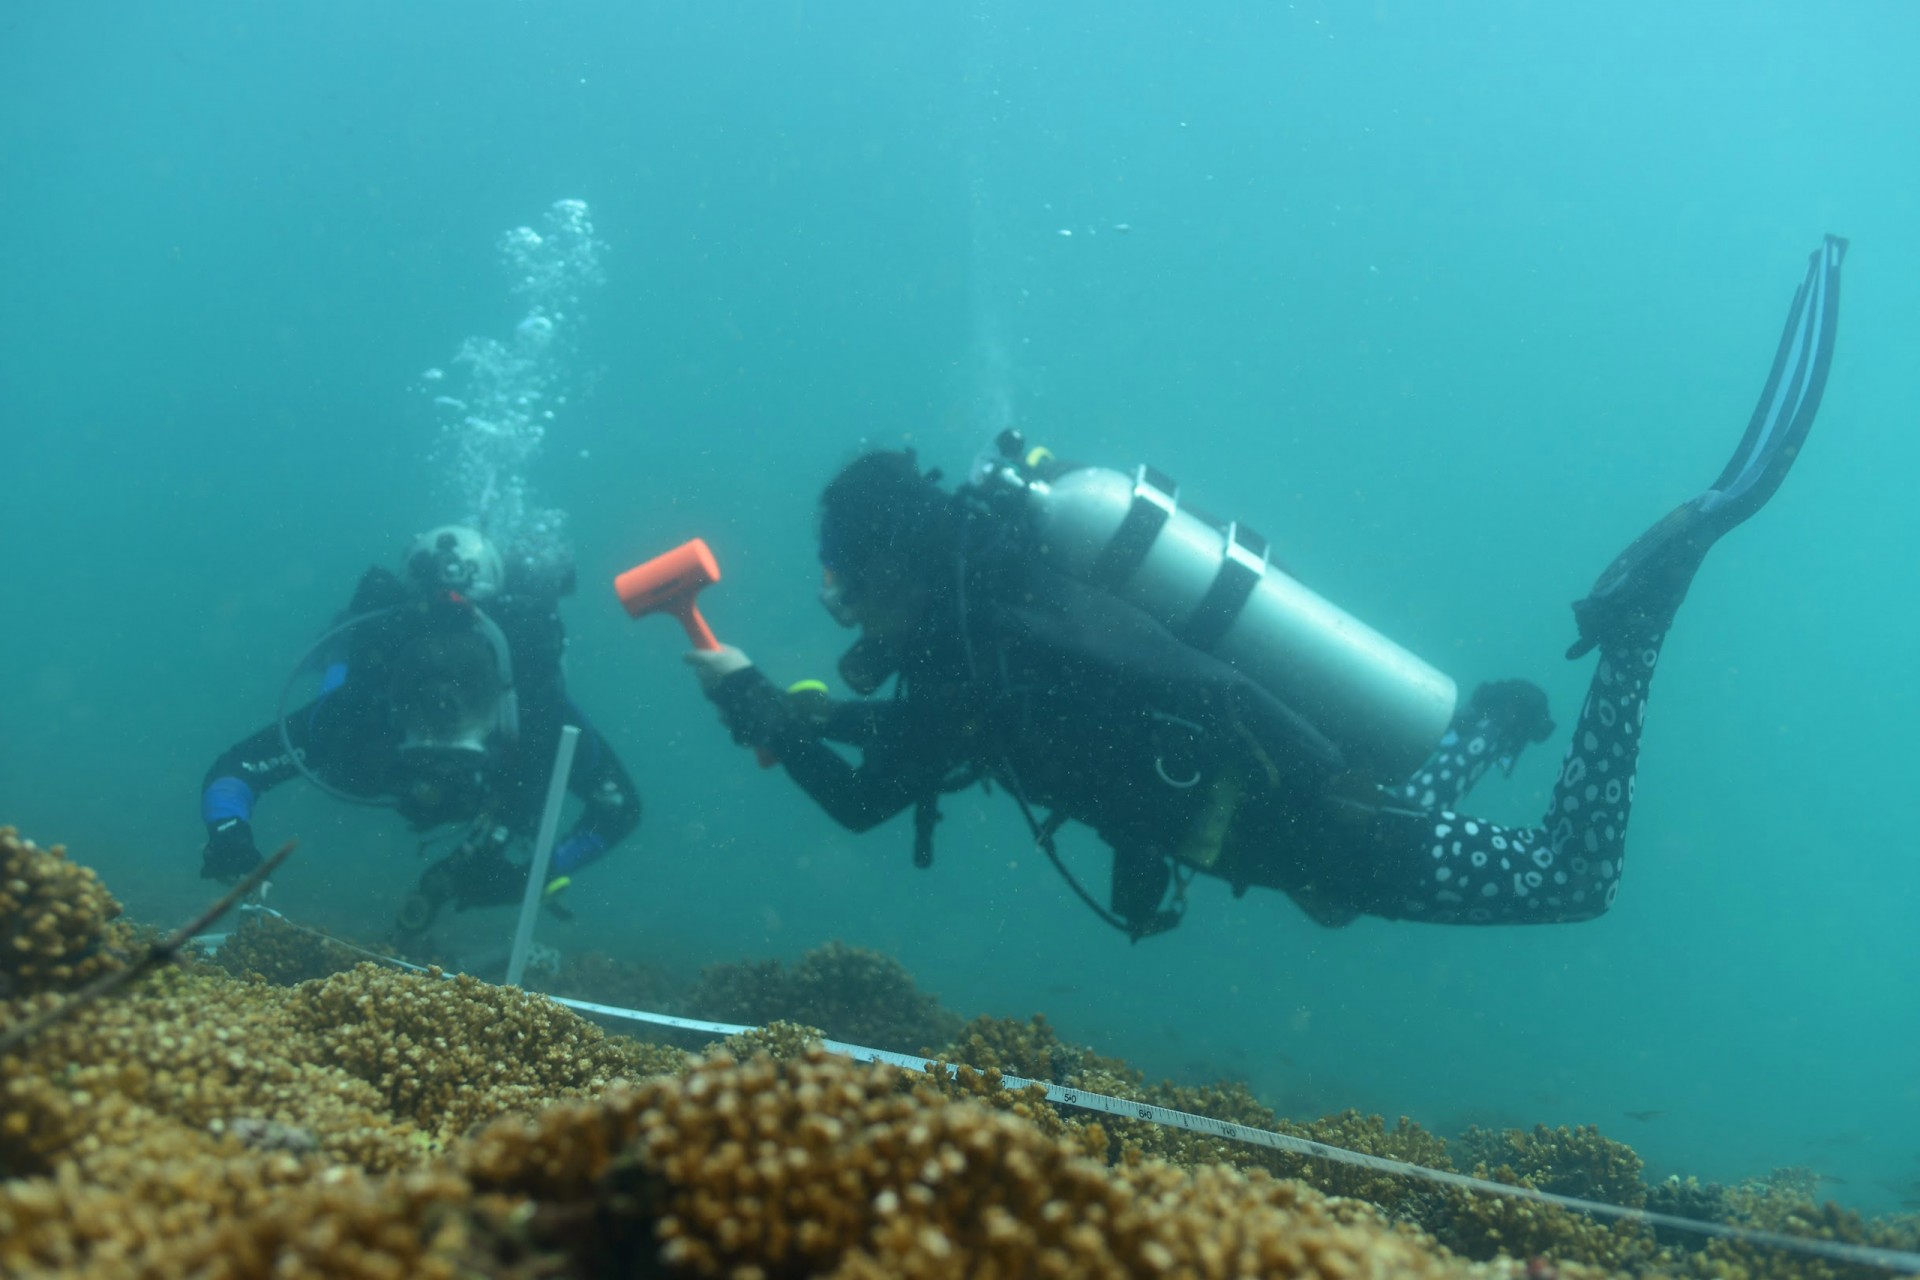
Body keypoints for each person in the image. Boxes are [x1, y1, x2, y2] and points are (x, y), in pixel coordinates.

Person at [684, 236, 1847, 940]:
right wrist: (814, 711)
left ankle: (1638, 624)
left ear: (889, 560)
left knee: (1573, 877)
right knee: (1412, 815)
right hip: (1284, 812)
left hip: (1303, 820)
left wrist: (750, 701)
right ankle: (1483, 726)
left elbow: (867, 797)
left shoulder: (975, 644)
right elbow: (1112, 696)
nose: (839, 605)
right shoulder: (1009, 605)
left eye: (842, 578)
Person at [199, 524, 641, 942]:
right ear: (398, 664)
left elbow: (618, 810)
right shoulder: (361, 707)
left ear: (504, 670)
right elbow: (237, 771)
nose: (444, 692)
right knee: (339, 686)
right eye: (424, 668)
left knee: (512, 821)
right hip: (371, 728)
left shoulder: (538, 712)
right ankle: (335, 655)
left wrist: (532, 876)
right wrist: (229, 837)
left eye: (468, 670)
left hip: (496, 802)